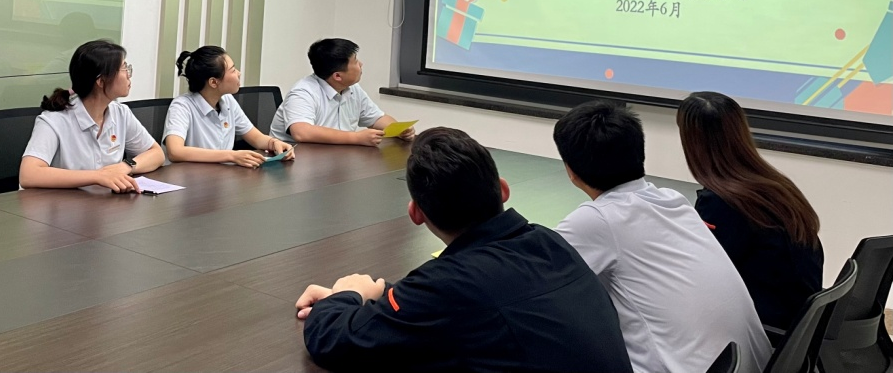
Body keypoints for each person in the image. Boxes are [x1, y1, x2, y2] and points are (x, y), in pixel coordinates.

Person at [295, 127, 632, 373]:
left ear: (416, 213)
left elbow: (333, 341)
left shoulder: (451, 284)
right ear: (503, 190)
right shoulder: (548, 242)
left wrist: (347, 294)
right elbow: (460, 300)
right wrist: (381, 294)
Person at [553, 100, 771, 373]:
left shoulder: (596, 220)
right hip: (757, 365)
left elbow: (532, 286)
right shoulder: (673, 200)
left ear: (570, 171)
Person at [678, 91, 823, 336]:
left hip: (767, 330)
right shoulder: (774, 185)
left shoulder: (722, 202)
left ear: (692, 142)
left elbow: (699, 277)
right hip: (798, 325)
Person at [19, 39, 164, 192]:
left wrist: (125, 167)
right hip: (61, 204)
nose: (129, 75)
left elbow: (156, 153)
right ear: (101, 81)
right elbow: (28, 175)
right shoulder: (54, 120)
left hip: (102, 202)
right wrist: (97, 176)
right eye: (123, 68)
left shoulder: (120, 113)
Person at [164, 46, 294, 167]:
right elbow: (175, 152)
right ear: (213, 82)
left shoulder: (227, 100)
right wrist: (232, 156)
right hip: (189, 178)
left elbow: (256, 138)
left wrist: (274, 143)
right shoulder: (182, 106)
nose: (239, 73)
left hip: (221, 175)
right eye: (233, 70)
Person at [269, 38, 413, 146]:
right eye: (355, 61)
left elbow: (376, 119)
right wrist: (356, 137)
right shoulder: (303, 92)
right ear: (337, 76)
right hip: (294, 161)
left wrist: (399, 130)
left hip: (334, 159)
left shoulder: (353, 89)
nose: (361, 64)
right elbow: (301, 132)